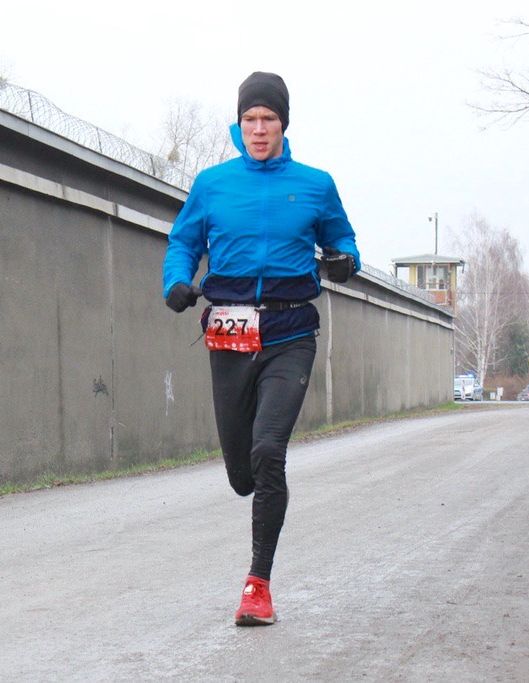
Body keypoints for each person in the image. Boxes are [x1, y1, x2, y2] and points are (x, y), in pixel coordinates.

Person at [162, 71, 360, 626]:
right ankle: (251, 482)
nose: (258, 129)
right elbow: (183, 243)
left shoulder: (315, 184)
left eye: (268, 119)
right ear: (239, 124)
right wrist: (176, 282)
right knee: (242, 474)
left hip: (290, 332)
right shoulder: (213, 184)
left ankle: (258, 586)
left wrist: (344, 261)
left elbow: (343, 241)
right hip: (230, 333)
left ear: (283, 124)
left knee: (269, 450)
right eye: (249, 119)